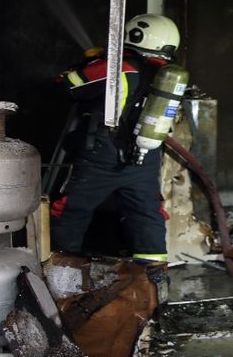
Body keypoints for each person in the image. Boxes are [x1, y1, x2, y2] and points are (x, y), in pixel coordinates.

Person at [50, 14, 179, 276]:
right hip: (146, 156)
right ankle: (154, 280)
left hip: (104, 155)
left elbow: (66, 85)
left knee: (71, 209)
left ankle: (62, 275)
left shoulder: (119, 67)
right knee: (147, 213)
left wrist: (92, 63)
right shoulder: (168, 76)